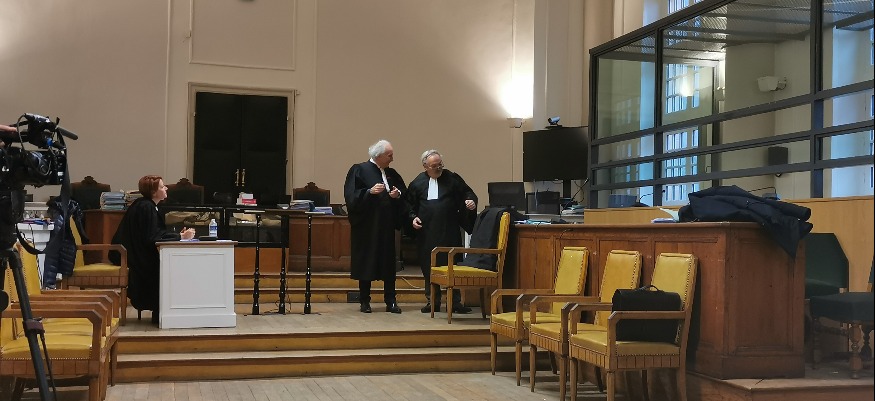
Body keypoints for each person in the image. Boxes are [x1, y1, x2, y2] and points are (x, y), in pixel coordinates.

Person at [110, 175, 196, 324]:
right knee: (163, 269)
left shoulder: (147, 205)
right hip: (133, 256)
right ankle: (161, 313)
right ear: (153, 192)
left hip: (136, 252)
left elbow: (155, 233)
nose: (166, 188)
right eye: (162, 186)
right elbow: (152, 237)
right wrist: (180, 237)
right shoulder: (146, 207)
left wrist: (177, 236)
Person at [406, 150, 477, 313]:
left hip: (449, 230)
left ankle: (455, 302)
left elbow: (468, 192)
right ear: (425, 166)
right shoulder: (417, 183)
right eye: (434, 166)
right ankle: (432, 301)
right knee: (429, 265)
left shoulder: (452, 178)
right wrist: (412, 218)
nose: (438, 168)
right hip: (427, 232)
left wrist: (470, 202)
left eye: (440, 165)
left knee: (453, 264)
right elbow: (409, 205)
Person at [343, 140, 407, 314]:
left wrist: (397, 195)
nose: (392, 159)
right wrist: (368, 192)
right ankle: (365, 301)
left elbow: (404, 192)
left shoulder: (391, 173)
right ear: (378, 156)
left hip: (386, 226)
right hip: (367, 227)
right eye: (389, 155)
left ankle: (391, 300)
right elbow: (351, 196)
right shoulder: (359, 169)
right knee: (367, 262)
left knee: (388, 263)